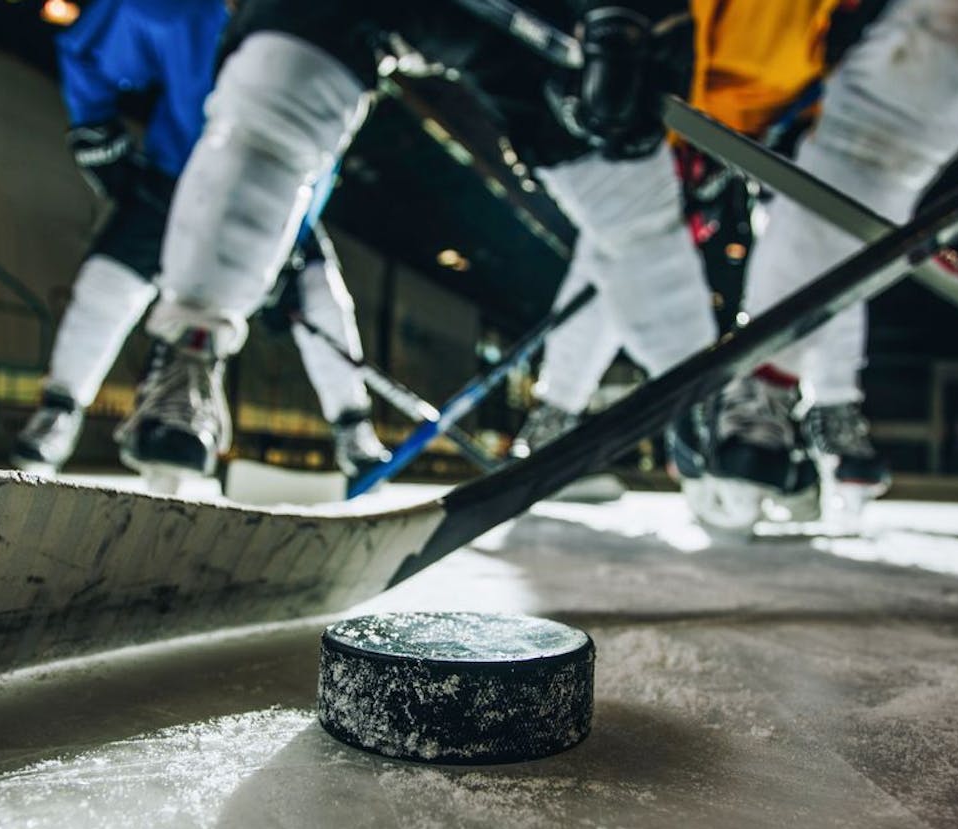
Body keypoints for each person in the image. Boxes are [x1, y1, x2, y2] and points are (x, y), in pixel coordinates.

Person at [119, 0, 725, 492]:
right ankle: (188, 360)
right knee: (281, 79)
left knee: (626, 190)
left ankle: (701, 410)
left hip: (551, 15)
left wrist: (628, 15)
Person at [513, 0, 958, 530]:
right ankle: (578, 413)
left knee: (845, 190)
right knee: (630, 216)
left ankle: (788, 403)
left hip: (790, 70)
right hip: (678, 66)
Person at [10, 0, 391, 483]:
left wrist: (288, 239)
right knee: (106, 286)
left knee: (323, 297)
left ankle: (353, 432)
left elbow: (317, 158)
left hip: (277, 197)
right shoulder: (181, 12)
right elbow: (89, 47)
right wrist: (94, 123)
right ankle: (59, 413)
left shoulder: (314, 25)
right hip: (177, 176)